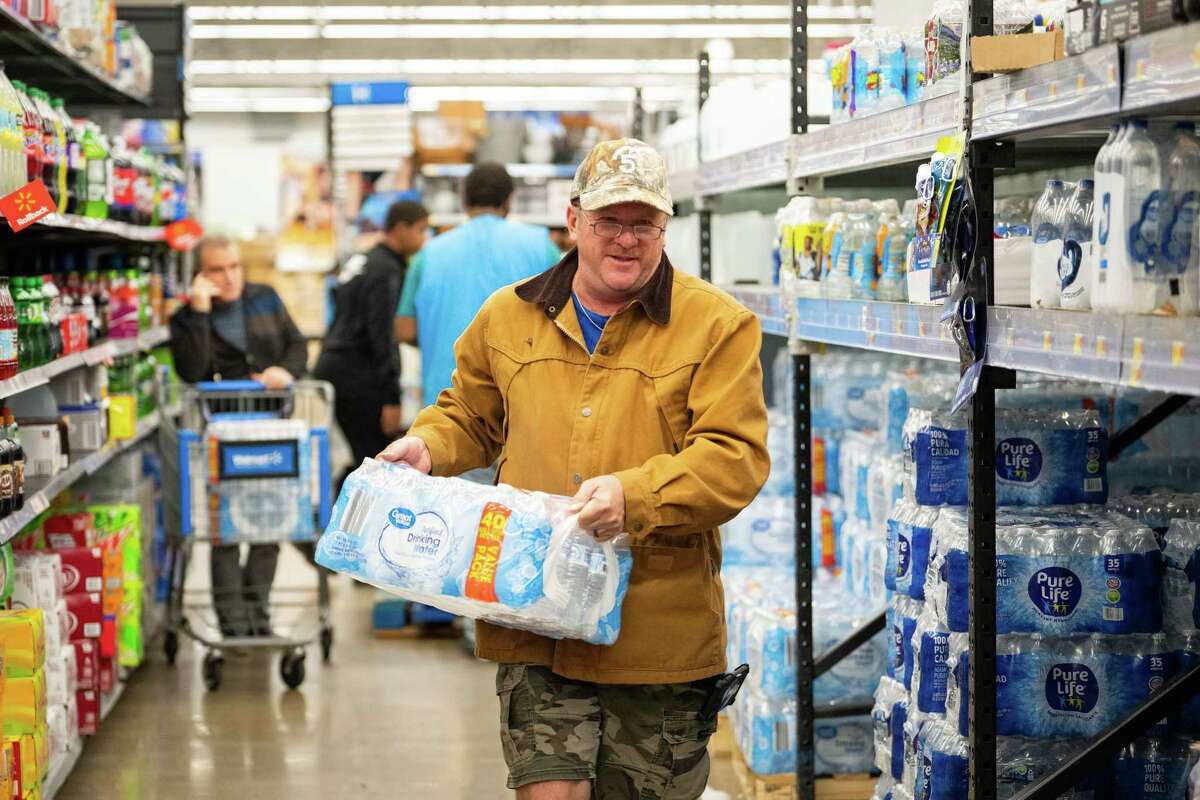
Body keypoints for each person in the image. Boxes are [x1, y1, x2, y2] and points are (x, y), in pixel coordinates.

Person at [378, 139, 770, 800]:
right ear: (573, 219)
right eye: (609, 221)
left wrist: (637, 494)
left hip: (654, 628)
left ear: (665, 227)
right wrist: (428, 445)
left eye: (643, 223)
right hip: (534, 612)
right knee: (547, 791)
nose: (626, 239)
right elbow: (468, 414)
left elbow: (736, 458)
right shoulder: (510, 315)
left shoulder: (716, 326)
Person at [169, 235, 309, 638]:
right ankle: (233, 624)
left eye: (234, 267)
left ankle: (258, 615)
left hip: (273, 430)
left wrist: (287, 371)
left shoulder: (265, 297)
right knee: (226, 530)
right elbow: (192, 371)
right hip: (221, 437)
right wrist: (198, 311)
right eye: (217, 269)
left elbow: (297, 346)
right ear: (201, 274)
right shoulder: (185, 318)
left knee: (270, 524)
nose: (228, 276)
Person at [394, 162, 561, 409]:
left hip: (447, 402)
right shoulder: (542, 247)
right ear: (509, 200)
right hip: (520, 403)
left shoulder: (427, 255)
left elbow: (405, 329)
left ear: (464, 200)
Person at [315, 200, 428, 484]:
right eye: (421, 230)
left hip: (334, 365)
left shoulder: (363, 260)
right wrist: (391, 398)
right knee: (378, 461)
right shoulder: (387, 270)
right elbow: (383, 334)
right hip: (358, 373)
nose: (423, 239)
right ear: (400, 229)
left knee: (364, 455)